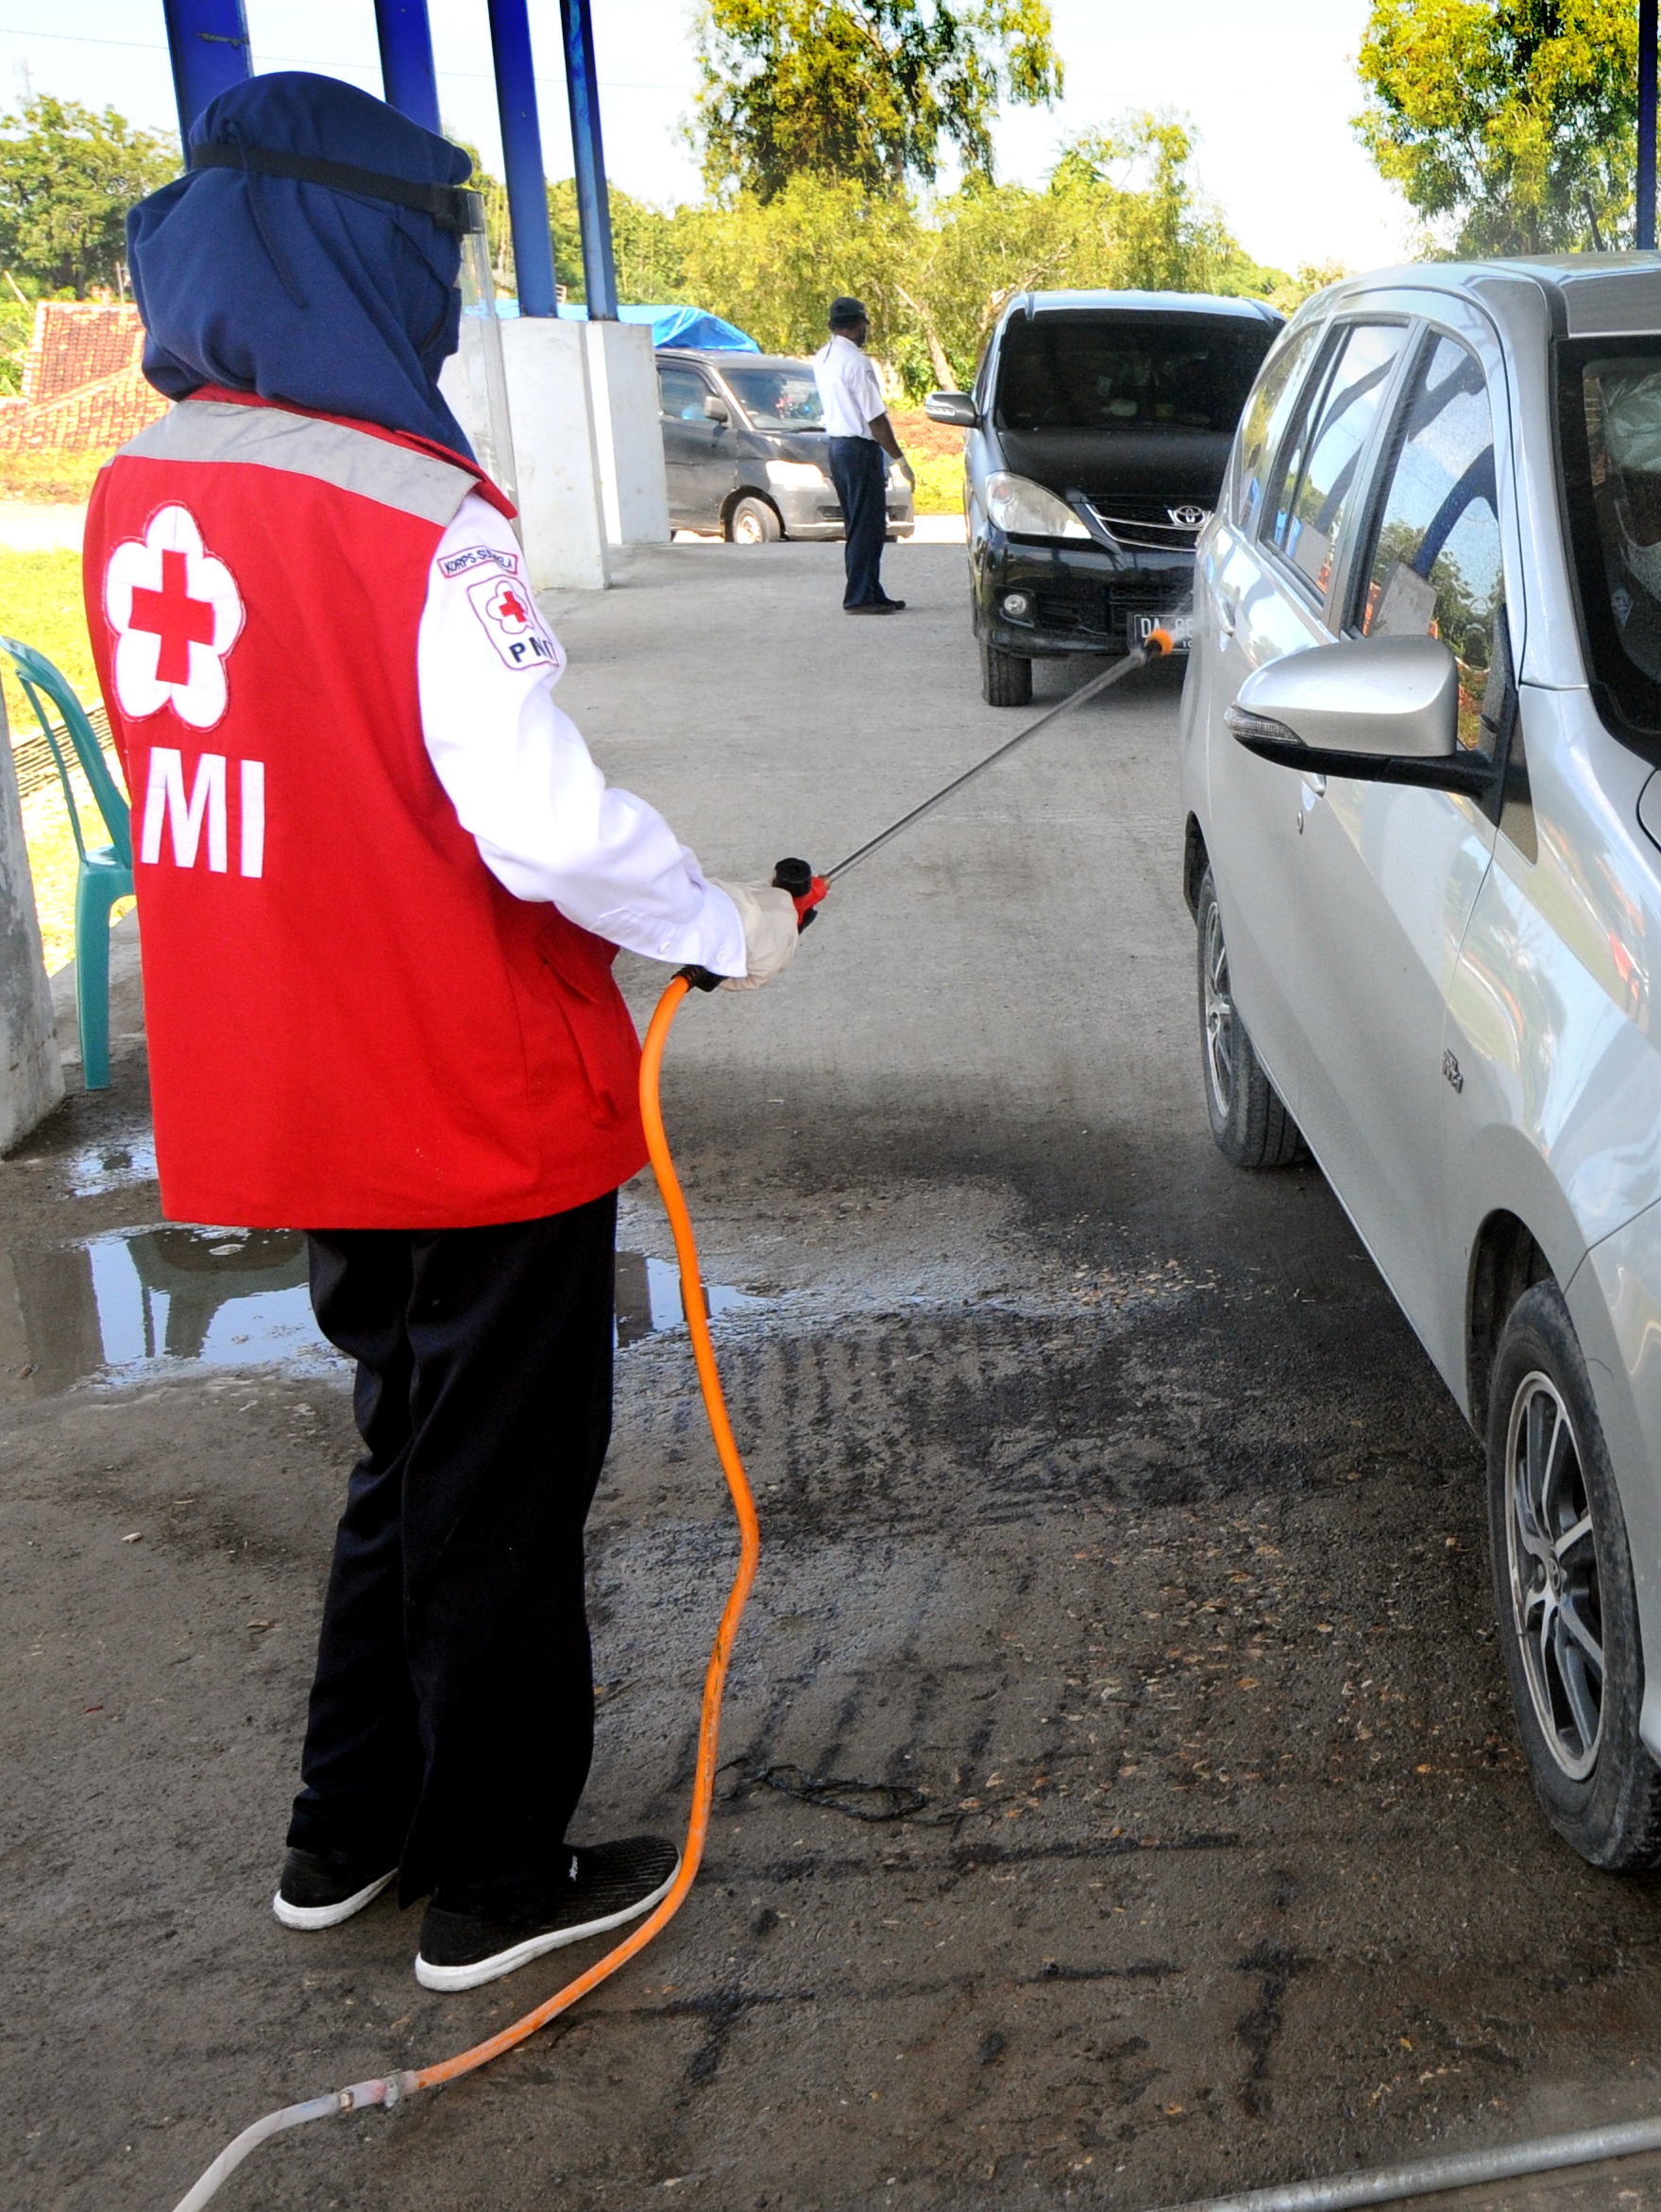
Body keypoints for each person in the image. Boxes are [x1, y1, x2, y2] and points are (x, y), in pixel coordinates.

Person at [92, 74, 810, 1993]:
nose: (443, 301)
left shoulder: (147, 484)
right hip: (464, 1093)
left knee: (402, 1445)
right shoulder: (413, 513)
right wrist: (723, 925)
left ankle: (344, 1831)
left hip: (293, 1085)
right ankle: (494, 1874)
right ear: (352, 253)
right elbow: (542, 826)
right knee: (498, 1485)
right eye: (432, 257)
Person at [816, 296, 903, 615]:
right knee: (869, 525)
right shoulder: (856, 362)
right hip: (859, 448)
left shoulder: (822, 357)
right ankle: (859, 596)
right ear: (858, 325)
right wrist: (899, 458)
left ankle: (870, 589)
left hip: (838, 447)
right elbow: (876, 419)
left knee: (857, 522)